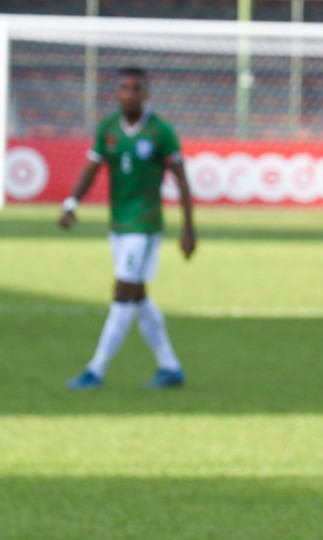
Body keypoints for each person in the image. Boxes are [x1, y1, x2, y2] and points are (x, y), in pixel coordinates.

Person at [60, 67, 195, 390]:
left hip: (144, 226)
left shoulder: (160, 131)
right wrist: (71, 204)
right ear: (116, 93)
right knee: (138, 297)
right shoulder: (108, 129)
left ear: (146, 94)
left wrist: (189, 227)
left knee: (122, 292)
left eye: (137, 89)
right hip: (118, 225)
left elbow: (181, 178)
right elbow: (92, 168)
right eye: (124, 88)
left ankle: (96, 370)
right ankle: (170, 367)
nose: (130, 94)